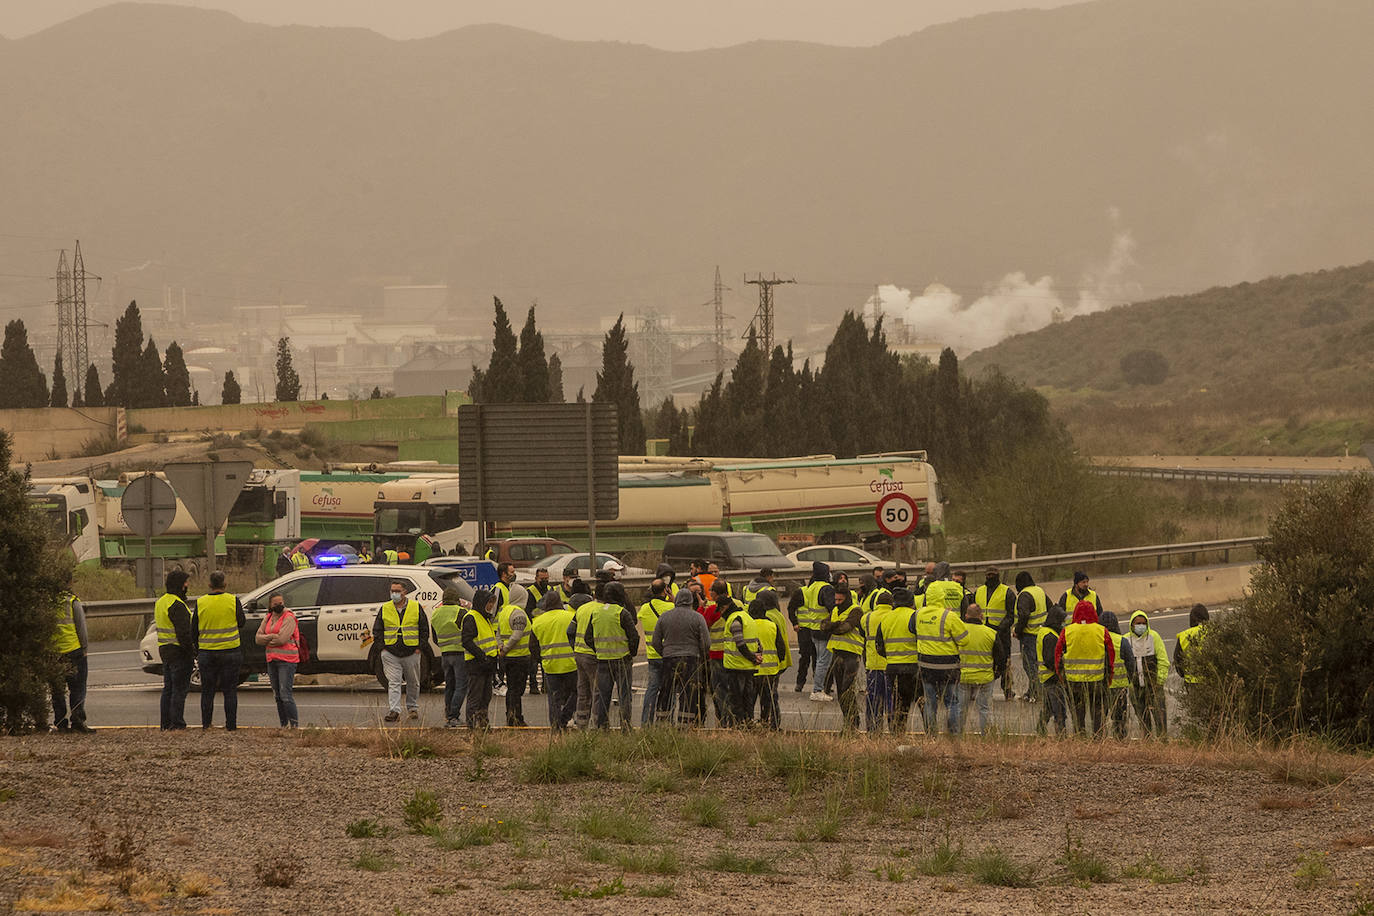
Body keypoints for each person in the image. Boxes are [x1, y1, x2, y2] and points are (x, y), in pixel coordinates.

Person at [914, 566, 967, 735]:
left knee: (930, 702)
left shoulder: (918, 614)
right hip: (948, 666)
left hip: (926, 664)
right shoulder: (949, 616)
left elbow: (912, 631)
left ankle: (931, 734)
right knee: (951, 702)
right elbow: (964, 640)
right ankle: (953, 734)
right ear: (942, 597)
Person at [369, 580, 430, 723]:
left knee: (413, 682)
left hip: (411, 651)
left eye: (397, 591)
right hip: (390, 652)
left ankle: (412, 708)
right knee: (394, 682)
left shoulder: (416, 607)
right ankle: (394, 710)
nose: (394, 594)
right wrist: (382, 648)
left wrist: (419, 647)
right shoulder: (385, 608)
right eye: (392, 591)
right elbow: (377, 630)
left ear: (405, 592)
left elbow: (424, 629)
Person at [194, 570, 246, 731]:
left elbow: (193, 629)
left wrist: (198, 649)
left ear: (209, 585)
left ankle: (206, 724)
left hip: (207, 652)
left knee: (207, 691)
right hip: (230, 651)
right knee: (229, 691)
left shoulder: (200, 602)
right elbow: (242, 622)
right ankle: (231, 725)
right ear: (225, 584)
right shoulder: (233, 600)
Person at [652, 587, 711, 726]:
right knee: (689, 693)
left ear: (676, 600)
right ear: (691, 601)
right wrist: (700, 656)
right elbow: (706, 643)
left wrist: (665, 653)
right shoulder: (697, 617)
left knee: (666, 691)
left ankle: (663, 722)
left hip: (669, 659)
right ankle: (686, 723)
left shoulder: (664, 617)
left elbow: (655, 642)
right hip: (691, 659)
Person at [1055, 599, 1114, 737]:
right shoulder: (1101, 631)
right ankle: (1098, 739)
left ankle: (1080, 738)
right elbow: (1110, 657)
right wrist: (1109, 678)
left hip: (1073, 681)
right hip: (1097, 680)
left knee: (1077, 714)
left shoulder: (1067, 631)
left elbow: (1057, 656)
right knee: (1098, 712)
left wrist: (1061, 677)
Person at [586, 581, 638, 731]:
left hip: (603, 661)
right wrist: (630, 653)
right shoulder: (622, 613)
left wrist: (598, 650)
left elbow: (588, 638)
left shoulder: (596, 612)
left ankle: (602, 727)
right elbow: (634, 637)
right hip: (622, 660)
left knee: (603, 696)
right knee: (624, 696)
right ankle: (625, 726)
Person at [528, 590, 577, 731]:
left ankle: (555, 726)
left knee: (554, 697)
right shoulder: (571, 617)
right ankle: (565, 717)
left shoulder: (538, 622)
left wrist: (541, 658)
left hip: (550, 666)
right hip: (571, 664)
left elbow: (533, 646)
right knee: (576, 693)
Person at [877, 587, 922, 733]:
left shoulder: (885, 618)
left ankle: (896, 735)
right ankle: (931, 735)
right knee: (923, 704)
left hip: (892, 668)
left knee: (898, 705)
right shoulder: (915, 616)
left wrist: (891, 656)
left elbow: (879, 646)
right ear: (911, 602)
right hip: (913, 667)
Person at [789, 561, 836, 701]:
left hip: (813, 629)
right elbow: (832, 607)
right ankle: (817, 690)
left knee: (819, 659)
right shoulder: (826, 588)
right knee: (823, 661)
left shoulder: (810, 588)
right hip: (824, 629)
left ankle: (818, 688)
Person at [820, 582, 864, 732]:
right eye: (836, 600)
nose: (837, 603)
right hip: (837, 655)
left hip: (851, 656)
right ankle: (848, 725)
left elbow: (844, 629)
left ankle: (854, 723)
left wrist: (833, 626)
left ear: (846, 599)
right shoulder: (834, 610)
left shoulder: (856, 611)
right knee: (840, 693)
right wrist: (835, 624)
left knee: (847, 691)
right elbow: (822, 626)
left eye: (840, 600)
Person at [154, 569, 194, 731]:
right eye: (186, 582)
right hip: (179, 652)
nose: (187, 585)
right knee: (179, 690)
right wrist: (192, 651)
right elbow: (184, 633)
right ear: (180, 584)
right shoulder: (177, 604)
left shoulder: (161, 602)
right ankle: (177, 723)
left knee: (168, 689)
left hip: (165, 650)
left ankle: (166, 723)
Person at [50, 584, 92, 734]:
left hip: (54, 653)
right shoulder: (72, 602)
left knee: (57, 690)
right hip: (74, 651)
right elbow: (81, 628)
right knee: (78, 688)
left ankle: (60, 723)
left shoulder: (48, 603)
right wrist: (85, 649)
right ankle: (78, 721)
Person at [254, 593, 301, 728]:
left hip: (287, 660)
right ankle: (283, 725)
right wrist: (273, 636)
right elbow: (257, 638)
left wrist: (267, 638)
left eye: (281, 602)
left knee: (286, 694)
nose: (279, 605)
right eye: (275, 604)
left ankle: (294, 725)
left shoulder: (289, 617)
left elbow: (282, 639)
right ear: (270, 605)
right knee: (278, 695)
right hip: (272, 659)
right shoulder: (268, 617)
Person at [973, 567, 1017, 702]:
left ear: (998, 576)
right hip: (983, 633)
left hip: (1001, 633)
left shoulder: (1007, 592)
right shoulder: (979, 591)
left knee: (1005, 662)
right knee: (984, 661)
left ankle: (1008, 689)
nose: (990, 577)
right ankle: (980, 688)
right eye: (988, 575)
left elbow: (1011, 615)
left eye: (992, 575)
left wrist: (1000, 628)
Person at [721, 590, 762, 727]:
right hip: (748, 667)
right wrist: (756, 656)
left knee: (736, 700)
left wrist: (752, 657)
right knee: (747, 699)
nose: (721, 613)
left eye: (721, 609)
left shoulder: (735, 620)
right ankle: (748, 722)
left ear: (725, 607)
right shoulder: (747, 617)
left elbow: (740, 643)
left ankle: (738, 725)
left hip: (736, 666)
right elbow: (757, 642)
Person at [1126, 610, 1170, 737]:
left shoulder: (1154, 637)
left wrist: (1159, 681)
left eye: (1143, 623)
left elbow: (1163, 660)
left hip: (1154, 685)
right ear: (1132, 625)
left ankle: (1162, 740)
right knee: (1143, 719)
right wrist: (1129, 684)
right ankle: (1147, 741)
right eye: (1138, 623)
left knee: (1160, 717)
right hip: (1135, 687)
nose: (1141, 626)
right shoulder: (1126, 640)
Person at [460, 589, 500, 729]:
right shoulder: (472, 617)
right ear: (481, 602)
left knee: (485, 697)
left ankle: (483, 723)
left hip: (487, 664)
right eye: (489, 602)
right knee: (475, 698)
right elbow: (466, 641)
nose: (491, 605)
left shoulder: (484, 617)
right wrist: (482, 656)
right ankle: (471, 726)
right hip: (477, 664)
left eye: (492, 603)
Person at [430, 587, 468, 728]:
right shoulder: (462, 612)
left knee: (449, 686)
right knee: (461, 686)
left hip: (445, 654)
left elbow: (435, 638)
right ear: (457, 598)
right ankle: (454, 716)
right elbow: (467, 633)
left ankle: (448, 714)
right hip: (460, 652)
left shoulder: (436, 613)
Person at [638, 580, 674, 726]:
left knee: (652, 689)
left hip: (652, 655)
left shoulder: (645, 609)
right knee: (669, 689)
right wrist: (672, 598)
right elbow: (679, 610)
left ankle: (646, 720)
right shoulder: (671, 607)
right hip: (668, 654)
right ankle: (666, 720)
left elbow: (639, 617)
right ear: (665, 591)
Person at [957, 605, 997, 735]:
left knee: (961, 709)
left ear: (966, 616)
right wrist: (996, 673)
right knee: (984, 709)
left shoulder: (959, 631)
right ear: (981, 616)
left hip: (963, 676)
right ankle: (986, 736)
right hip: (985, 677)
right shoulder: (990, 633)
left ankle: (958, 735)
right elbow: (1000, 657)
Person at [753, 591, 790, 729]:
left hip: (755, 668)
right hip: (773, 667)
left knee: (751, 698)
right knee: (771, 697)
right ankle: (773, 724)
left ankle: (753, 723)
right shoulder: (777, 616)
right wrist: (780, 659)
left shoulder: (751, 623)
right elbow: (780, 644)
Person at [861, 580, 894, 734]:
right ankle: (894, 731)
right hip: (890, 665)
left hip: (872, 665)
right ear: (891, 603)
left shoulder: (866, 618)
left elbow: (863, 635)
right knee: (891, 702)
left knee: (873, 702)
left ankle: (873, 731)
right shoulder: (893, 616)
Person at [702, 579, 736, 725]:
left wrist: (700, 608)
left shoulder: (712, 609)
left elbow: (702, 625)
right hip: (734, 653)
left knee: (718, 688)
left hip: (717, 654)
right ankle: (735, 718)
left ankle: (723, 719)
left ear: (715, 594)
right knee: (733, 688)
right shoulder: (738, 604)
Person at [1012, 571, 1050, 702]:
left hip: (1030, 635)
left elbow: (1024, 615)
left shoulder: (1024, 595)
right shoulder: (1039, 591)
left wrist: (1017, 630)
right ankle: (1032, 691)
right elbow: (1050, 607)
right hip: (1042, 634)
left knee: (1030, 665)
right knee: (1039, 664)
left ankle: (1037, 693)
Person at [566, 578, 598, 729]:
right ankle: (596, 723)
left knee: (582, 690)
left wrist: (575, 647)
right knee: (597, 690)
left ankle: (581, 722)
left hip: (579, 653)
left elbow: (570, 631)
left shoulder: (581, 609)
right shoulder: (599, 609)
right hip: (592, 655)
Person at [497, 593, 532, 727]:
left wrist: (501, 646)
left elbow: (498, 632)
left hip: (508, 658)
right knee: (517, 690)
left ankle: (512, 716)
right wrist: (505, 648)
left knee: (512, 689)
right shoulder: (519, 614)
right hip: (519, 657)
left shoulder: (504, 611)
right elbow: (517, 636)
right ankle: (515, 718)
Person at [1098, 611, 1133, 739]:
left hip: (1101, 685)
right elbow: (1130, 663)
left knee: (1100, 717)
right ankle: (1120, 741)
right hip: (1120, 686)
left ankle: (1099, 741)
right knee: (1119, 719)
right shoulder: (1122, 641)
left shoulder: (1098, 640)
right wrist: (1127, 680)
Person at [1036, 606, 1069, 736]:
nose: (1063, 624)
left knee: (1048, 707)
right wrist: (1062, 671)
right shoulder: (1050, 636)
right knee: (1059, 709)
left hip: (1047, 677)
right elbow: (1051, 661)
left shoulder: (1047, 632)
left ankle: (1040, 730)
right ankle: (1061, 734)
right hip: (1052, 677)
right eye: (1062, 621)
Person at [525, 569, 552, 695]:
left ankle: (546, 686)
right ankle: (533, 685)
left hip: (548, 628)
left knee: (546, 657)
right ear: (536, 578)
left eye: (546, 578)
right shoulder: (530, 592)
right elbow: (529, 611)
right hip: (535, 628)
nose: (545, 581)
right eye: (542, 579)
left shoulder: (550, 590)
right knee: (534, 660)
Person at [1173, 603, 1209, 687]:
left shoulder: (1183, 636)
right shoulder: (1214, 631)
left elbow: (1177, 658)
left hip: (1192, 680)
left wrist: (1183, 674)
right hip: (1211, 678)